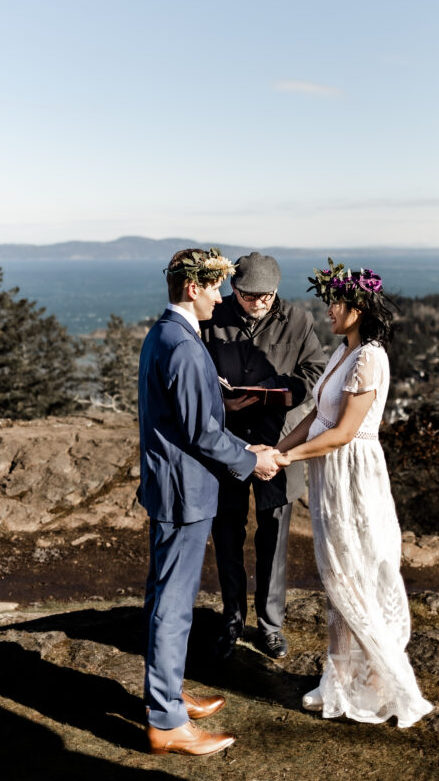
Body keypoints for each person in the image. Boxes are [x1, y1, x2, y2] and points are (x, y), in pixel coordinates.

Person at [274, 261, 434, 727]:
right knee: (337, 576)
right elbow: (317, 417)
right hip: (330, 473)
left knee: (353, 573)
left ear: (359, 307)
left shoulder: (370, 357)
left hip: (352, 476)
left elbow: (344, 432)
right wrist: (278, 447)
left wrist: (290, 459)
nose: (329, 310)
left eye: (337, 302)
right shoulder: (344, 352)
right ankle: (340, 683)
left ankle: (390, 685)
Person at [137, 247, 280, 756]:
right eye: (215, 287)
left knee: (164, 598)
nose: (221, 298)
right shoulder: (180, 342)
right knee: (173, 607)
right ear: (192, 287)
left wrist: (238, 430)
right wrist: (251, 460)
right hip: (184, 490)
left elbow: (190, 416)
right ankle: (168, 723)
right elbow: (199, 432)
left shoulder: (165, 333)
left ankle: (168, 694)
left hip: (172, 484)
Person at [201, 252, 325, 660]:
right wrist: (222, 399)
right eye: (251, 296)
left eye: (267, 296)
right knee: (227, 534)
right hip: (228, 445)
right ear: (234, 290)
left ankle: (271, 625)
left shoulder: (300, 319)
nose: (260, 303)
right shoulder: (212, 320)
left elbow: (314, 371)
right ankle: (231, 620)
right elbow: (196, 376)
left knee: (274, 536)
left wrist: (273, 390)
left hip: (279, 444)